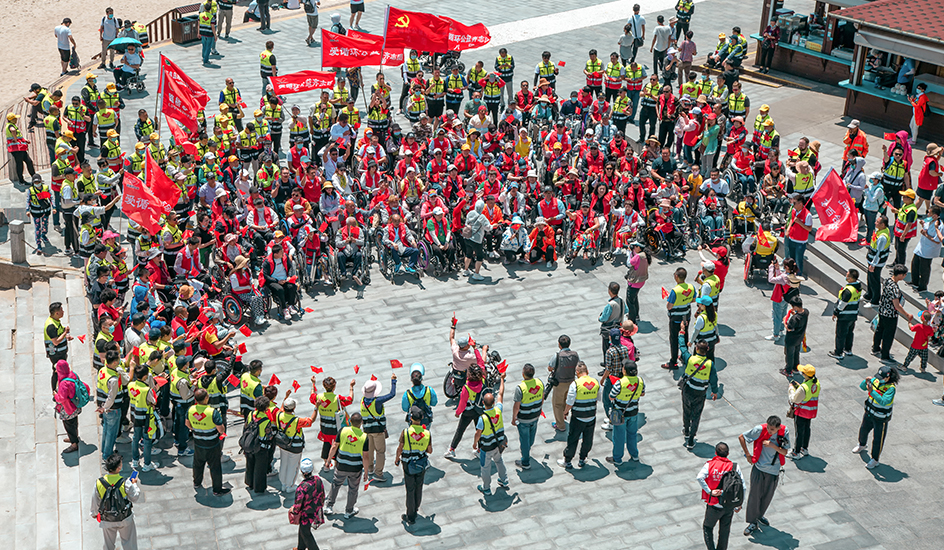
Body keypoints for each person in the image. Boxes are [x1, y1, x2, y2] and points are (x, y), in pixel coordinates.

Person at [739, 416, 789, 537]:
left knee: (767, 496)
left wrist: (773, 446)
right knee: (754, 496)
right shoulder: (759, 430)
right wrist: (747, 454)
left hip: (774, 470)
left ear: (778, 428)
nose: (769, 431)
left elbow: (785, 452)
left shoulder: (784, 432)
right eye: (768, 427)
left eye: (772, 429)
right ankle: (752, 522)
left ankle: (759, 516)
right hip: (759, 468)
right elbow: (742, 437)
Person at [697, 442, 744, 550]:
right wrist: (738, 504)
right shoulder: (734, 467)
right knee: (724, 531)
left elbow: (699, 477)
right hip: (728, 506)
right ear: (728, 453)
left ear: (715, 453)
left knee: (707, 527)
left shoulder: (709, 465)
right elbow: (743, 486)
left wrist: (709, 491)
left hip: (714, 505)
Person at [91, 453, 142, 550]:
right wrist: (134, 484)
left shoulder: (99, 482)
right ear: (118, 468)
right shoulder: (125, 482)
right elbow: (135, 497)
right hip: (125, 518)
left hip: (107, 518)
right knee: (129, 543)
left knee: (108, 544)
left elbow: (95, 499)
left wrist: (94, 513)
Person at [854, 365, 900, 469]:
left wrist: (872, 392)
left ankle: (875, 459)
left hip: (881, 417)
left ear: (887, 378)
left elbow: (884, 401)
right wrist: (865, 381)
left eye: (881, 377)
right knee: (863, 430)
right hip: (869, 412)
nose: (878, 379)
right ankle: (862, 444)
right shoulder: (876, 380)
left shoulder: (891, 388)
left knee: (878, 439)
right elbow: (862, 387)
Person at [325, 413, 368, 519]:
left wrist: (328, 460)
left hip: (341, 465)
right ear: (361, 423)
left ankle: (329, 506)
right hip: (355, 468)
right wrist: (366, 471)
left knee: (335, 484)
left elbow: (334, 446)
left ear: (350, 422)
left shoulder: (343, 431)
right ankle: (349, 511)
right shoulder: (364, 437)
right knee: (353, 489)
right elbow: (365, 457)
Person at [187, 388, 230, 495]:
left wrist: (196, 429)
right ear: (206, 398)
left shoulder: (191, 409)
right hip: (212, 444)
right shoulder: (212, 412)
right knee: (215, 467)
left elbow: (187, 424)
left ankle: (196, 482)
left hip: (198, 443)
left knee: (197, 464)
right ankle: (217, 489)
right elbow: (221, 429)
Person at [557, 361, 599, 469]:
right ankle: (582, 459)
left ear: (577, 372)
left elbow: (569, 402)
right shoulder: (595, 382)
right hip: (591, 416)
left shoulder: (575, 384)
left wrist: (565, 412)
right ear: (587, 371)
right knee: (588, 439)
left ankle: (568, 461)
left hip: (578, 417)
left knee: (573, 439)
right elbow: (598, 398)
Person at [277, 388, 319, 493]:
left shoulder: (279, 414)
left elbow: (281, 407)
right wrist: (316, 407)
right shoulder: (297, 421)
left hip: (282, 443)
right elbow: (311, 420)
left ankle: (283, 484)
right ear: (294, 408)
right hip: (294, 446)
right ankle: (290, 486)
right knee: (293, 466)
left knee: (284, 463)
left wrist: (285, 397)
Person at [396, 407, 432, 525]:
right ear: (422, 419)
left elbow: (400, 448)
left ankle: (410, 516)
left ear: (411, 418)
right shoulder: (427, 433)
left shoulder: (405, 432)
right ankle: (416, 507)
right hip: (421, 463)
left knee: (410, 489)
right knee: (419, 486)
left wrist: (397, 459)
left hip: (408, 463)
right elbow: (430, 450)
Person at [473, 373, 508, 495]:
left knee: (485, 468)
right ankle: (504, 480)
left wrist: (475, 443)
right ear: (493, 403)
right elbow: (501, 395)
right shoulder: (498, 410)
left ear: (483, 403)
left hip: (486, 448)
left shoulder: (482, 418)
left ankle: (486, 488)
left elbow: (478, 433)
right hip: (498, 444)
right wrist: (502, 380)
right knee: (499, 461)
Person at [872, 264, 913, 363]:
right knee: (888, 335)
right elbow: (897, 305)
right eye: (904, 275)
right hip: (890, 315)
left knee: (879, 330)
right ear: (900, 275)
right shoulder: (894, 288)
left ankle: (875, 348)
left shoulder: (887, 281)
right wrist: (907, 315)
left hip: (882, 311)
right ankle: (885, 356)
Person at [360, 374, 398, 482]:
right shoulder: (377, 401)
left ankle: (371, 468)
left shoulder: (362, 401)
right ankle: (378, 473)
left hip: (367, 430)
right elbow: (392, 394)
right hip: (378, 431)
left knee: (370, 449)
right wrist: (393, 381)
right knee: (380, 452)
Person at [682, 340, 718, 449]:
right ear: (707, 350)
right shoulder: (709, 364)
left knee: (686, 410)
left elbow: (683, 349)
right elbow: (714, 379)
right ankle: (691, 439)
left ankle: (686, 430)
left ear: (696, 349)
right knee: (696, 415)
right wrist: (715, 391)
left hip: (688, 390)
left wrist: (682, 333)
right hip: (700, 392)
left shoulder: (690, 359)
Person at [607, 360, 644, 464]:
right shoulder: (640, 380)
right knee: (632, 434)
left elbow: (611, 397)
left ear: (624, 370)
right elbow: (643, 393)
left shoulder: (620, 383)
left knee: (619, 436)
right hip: (634, 412)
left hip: (620, 414)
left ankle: (617, 458)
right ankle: (634, 455)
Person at [511, 363, 544, 469]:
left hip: (524, 419)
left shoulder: (520, 388)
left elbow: (517, 406)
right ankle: (527, 450)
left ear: (523, 374)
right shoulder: (540, 383)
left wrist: (514, 418)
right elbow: (542, 398)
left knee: (524, 440)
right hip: (535, 416)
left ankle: (525, 462)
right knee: (531, 436)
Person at [663, 267, 695, 370]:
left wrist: (670, 299)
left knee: (674, 338)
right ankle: (684, 356)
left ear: (676, 276)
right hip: (686, 316)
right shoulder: (691, 287)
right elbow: (694, 299)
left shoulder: (675, 291)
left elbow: (669, 306)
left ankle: (673, 361)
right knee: (685, 336)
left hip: (676, 317)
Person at [54, 360, 88, 454]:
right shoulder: (73, 374)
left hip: (68, 409)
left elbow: (61, 398)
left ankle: (74, 444)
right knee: (74, 423)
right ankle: (74, 437)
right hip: (75, 406)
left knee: (69, 426)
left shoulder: (63, 383)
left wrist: (55, 395)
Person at [290, 458, 326, 549]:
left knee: (306, 533)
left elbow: (298, 504)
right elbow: (322, 494)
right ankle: (300, 547)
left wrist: (293, 510)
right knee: (302, 529)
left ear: (301, 471)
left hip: (306, 513)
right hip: (316, 509)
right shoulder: (318, 480)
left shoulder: (302, 487)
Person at [547, 335, 580, 433]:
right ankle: (565, 414)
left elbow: (550, 367)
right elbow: (579, 366)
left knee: (557, 404)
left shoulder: (557, 355)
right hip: (572, 382)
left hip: (559, 383)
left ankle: (560, 425)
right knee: (568, 400)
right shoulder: (575, 354)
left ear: (559, 344)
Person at [787, 364, 819, 460]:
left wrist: (791, 388)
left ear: (805, 374)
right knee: (807, 429)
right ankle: (804, 448)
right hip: (811, 411)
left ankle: (796, 452)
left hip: (802, 412)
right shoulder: (816, 382)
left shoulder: (804, 387)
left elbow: (794, 399)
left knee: (799, 432)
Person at [829, 269, 862, 360]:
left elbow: (842, 304)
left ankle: (838, 353)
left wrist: (836, 313)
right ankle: (848, 349)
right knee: (849, 333)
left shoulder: (848, 291)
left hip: (844, 316)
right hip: (853, 314)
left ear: (851, 278)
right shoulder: (858, 287)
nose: (846, 276)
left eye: (847, 275)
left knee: (841, 334)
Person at [911, 206, 943, 291]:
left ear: (935, 215)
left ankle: (922, 286)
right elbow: (925, 226)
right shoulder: (929, 219)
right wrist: (922, 224)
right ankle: (915, 282)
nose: (927, 214)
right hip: (921, 246)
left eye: (929, 213)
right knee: (915, 264)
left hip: (929, 249)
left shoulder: (939, 225)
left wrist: (926, 235)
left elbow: (937, 240)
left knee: (924, 269)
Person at [863, 215, 891, 307]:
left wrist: (873, 264)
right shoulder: (882, 230)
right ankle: (868, 295)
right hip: (872, 260)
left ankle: (875, 300)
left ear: (883, 224)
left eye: (877, 222)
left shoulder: (882, 237)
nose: (875, 223)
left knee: (874, 280)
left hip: (876, 262)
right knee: (870, 278)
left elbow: (878, 253)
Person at [45, 302, 72, 392]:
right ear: (56, 313)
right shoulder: (51, 326)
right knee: (57, 371)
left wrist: (66, 336)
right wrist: (65, 333)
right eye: (61, 310)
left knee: (62, 371)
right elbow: (55, 342)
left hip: (61, 352)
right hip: (56, 354)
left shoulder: (56, 322)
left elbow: (59, 333)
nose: (63, 312)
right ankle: (55, 390)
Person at [784, 194, 813, 277]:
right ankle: (791, 274)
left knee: (798, 260)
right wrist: (788, 229)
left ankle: (799, 276)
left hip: (800, 241)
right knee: (791, 259)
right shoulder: (794, 210)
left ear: (800, 204)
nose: (793, 205)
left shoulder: (808, 215)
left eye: (795, 203)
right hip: (792, 238)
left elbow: (809, 229)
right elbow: (791, 220)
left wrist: (800, 222)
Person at [889, 189, 918, 266]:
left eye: (905, 197)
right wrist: (896, 211)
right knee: (897, 248)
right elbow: (902, 212)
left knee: (901, 250)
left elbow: (909, 224)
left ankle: (900, 267)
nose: (903, 198)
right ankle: (896, 262)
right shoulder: (906, 205)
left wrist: (903, 235)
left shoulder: (912, 211)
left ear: (910, 199)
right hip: (898, 232)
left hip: (904, 234)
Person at [599, 281, 626, 361]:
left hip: (608, 329)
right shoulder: (621, 301)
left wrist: (599, 318)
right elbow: (626, 310)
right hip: (618, 327)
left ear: (609, 291)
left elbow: (604, 318)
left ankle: (606, 365)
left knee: (606, 348)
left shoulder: (610, 304)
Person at [782, 297, 808, 377]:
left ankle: (788, 370)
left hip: (791, 339)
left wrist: (784, 321)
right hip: (799, 337)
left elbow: (789, 328)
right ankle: (796, 367)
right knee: (796, 353)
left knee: (789, 354)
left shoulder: (794, 319)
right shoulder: (806, 312)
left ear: (795, 307)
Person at [624, 242, 650, 323]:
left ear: (639, 247)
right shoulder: (644, 255)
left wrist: (628, 253)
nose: (634, 248)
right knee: (635, 299)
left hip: (634, 282)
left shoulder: (638, 256)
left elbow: (629, 263)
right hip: (641, 281)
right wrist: (632, 252)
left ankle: (632, 320)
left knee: (630, 301)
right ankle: (636, 315)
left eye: (635, 246)